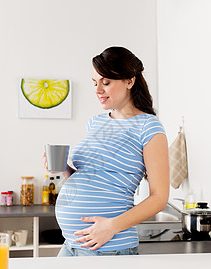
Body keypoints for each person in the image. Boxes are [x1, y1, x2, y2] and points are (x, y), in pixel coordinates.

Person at [44, 46, 169, 256]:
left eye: (106, 82)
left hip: (109, 246)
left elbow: (159, 197)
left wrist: (111, 226)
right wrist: (64, 168)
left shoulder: (149, 127)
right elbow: (93, 177)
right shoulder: (96, 122)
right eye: (95, 83)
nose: (98, 90)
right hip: (72, 243)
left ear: (130, 81)